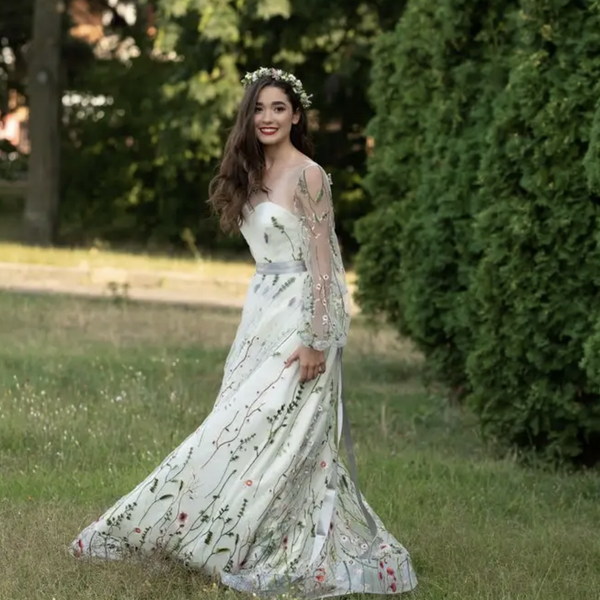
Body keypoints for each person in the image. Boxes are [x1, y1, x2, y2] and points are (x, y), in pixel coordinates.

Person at [70, 67, 417, 597]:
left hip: (300, 319)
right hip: (260, 315)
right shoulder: (248, 173)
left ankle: (278, 541)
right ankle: (204, 531)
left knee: (282, 433)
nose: (268, 118)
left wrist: (316, 338)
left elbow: (325, 267)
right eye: (259, 109)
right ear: (248, 117)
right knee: (234, 432)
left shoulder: (310, 176)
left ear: (296, 115)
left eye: (279, 108)